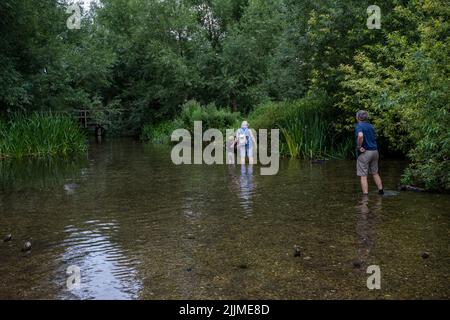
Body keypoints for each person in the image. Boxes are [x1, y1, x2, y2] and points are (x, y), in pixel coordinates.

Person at [355, 110, 384, 195]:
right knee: (375, 173)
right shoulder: (371, 126)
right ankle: (381, 191)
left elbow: (360, 135)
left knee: (363, 175)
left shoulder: (358, 126)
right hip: (375, 152)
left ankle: (365, 196)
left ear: (357, 117)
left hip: (365, 153)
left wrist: (359, 146)